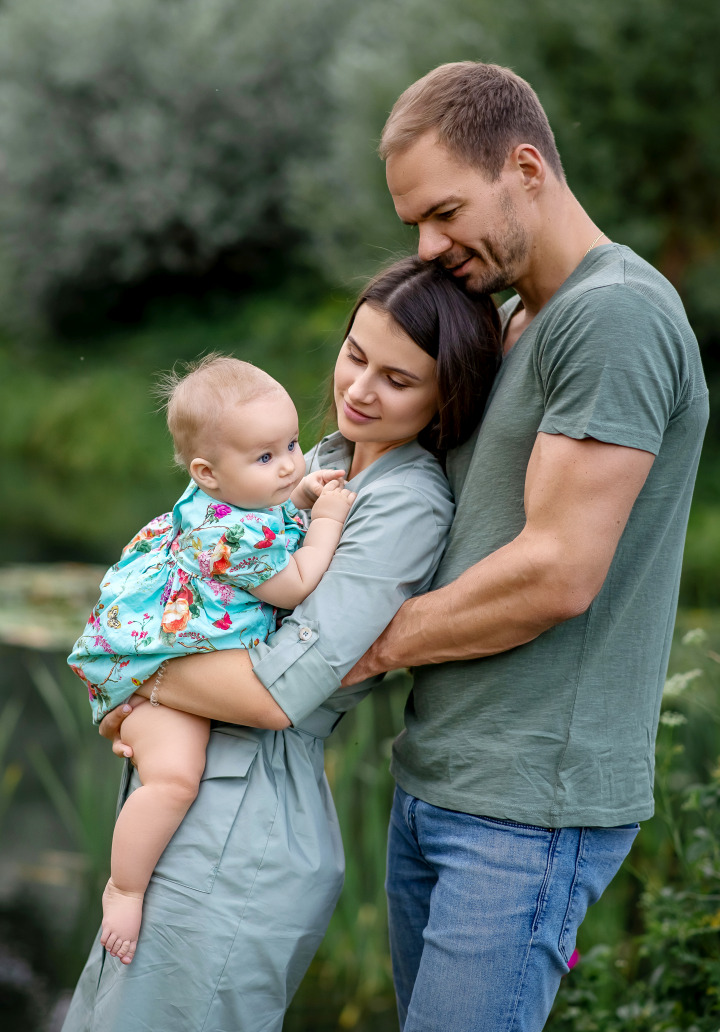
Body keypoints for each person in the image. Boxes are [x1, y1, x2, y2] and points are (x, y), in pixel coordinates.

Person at [336, 61, 708, 1030]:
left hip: (526, 807)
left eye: (446, 210)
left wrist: (360, 645)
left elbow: (558, 572)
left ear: (526, 166)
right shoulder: (513, 320)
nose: (427, 245)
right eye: (413, 220)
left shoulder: (613, 314)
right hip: (445, 779)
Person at [61, 256, 500, 1032]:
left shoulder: (404, 504)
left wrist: (133, 677)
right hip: (192, 801)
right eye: (356, 357)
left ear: (445, 394)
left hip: (243, 832)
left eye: (398, 380)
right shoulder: (318, 461)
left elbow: (277, 695)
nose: (360, 390)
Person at [68, 355, 356, 964]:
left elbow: (275, 512)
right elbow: (295, 582)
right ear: (207, 473)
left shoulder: (237, 495)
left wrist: (299, 495)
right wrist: (326, 519)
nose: (287, 464)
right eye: (265, 457)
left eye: (292, 445)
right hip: (151, 664)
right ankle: (125, 886)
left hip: (173, 650)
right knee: (174, 779)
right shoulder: (227, 532)